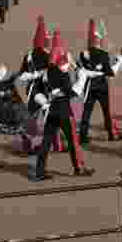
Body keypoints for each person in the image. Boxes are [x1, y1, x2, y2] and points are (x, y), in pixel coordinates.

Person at [31, 31, 93, 181]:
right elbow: (72, 92)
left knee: (46, 142)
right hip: (64, 112)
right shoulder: (62, 74)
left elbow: (36, 93)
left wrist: (44, 102)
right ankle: (78, 168)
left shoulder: (46, 73)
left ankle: (39, 171)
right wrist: (82, 77)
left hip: (50, 112)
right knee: (73, 141)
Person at [78, 20, 122, 145]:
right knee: (106, 111)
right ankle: (110, 134)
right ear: (98, 41)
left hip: (89, 86)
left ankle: (83, 135)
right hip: (102, 86)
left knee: (87, 112)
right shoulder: (103, 54)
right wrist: (117, 62)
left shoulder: (83, 54)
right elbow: (109, 72)